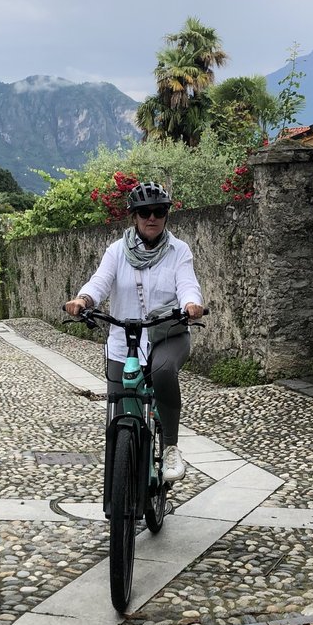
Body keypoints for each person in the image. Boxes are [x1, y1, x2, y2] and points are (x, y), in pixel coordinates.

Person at [64, 180, 204, 485]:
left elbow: (188, 284)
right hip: (123, 340)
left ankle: (170, 447)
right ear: (134, 216)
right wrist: (83, 300)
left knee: (163, 371)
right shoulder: (116, 251)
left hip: (166, 335)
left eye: (158, 211)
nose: (151, 218)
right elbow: (99, 281)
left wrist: (192, 304)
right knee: (118, 401)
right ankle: (121, 462)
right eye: (144, 212)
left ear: (167, 215)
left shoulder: (179, 251)